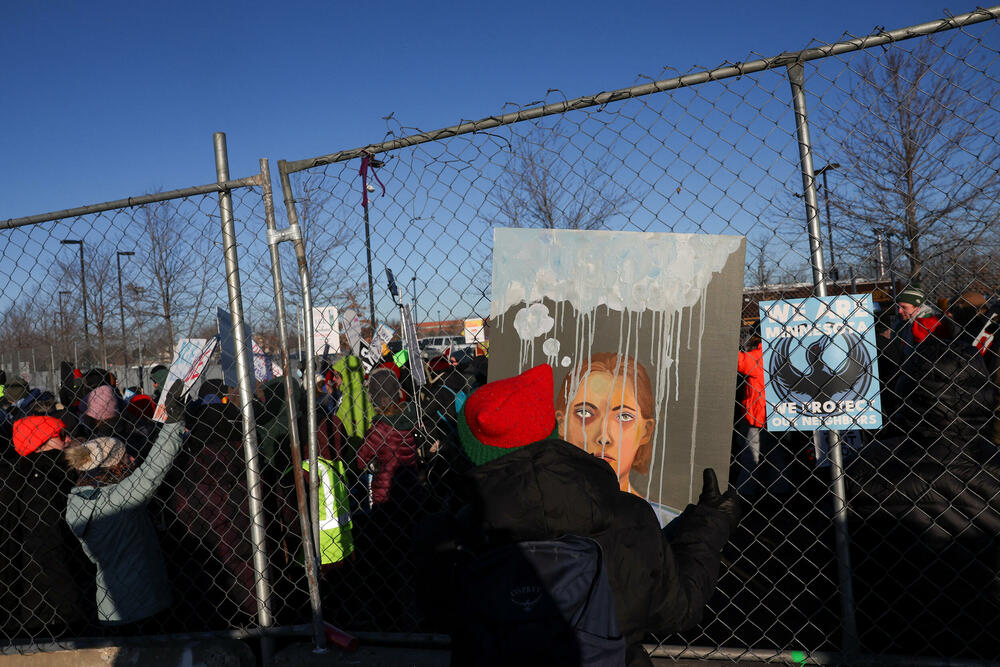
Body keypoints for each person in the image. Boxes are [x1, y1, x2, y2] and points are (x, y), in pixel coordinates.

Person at [422, 364, 739, 666]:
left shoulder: (452, 541)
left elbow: (438, 613)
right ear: (557, 426)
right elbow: (676, 609)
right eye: (585, 412)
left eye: (623, 415)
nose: (604, 435)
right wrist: (709, 523)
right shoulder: (630, 519)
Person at [63, 382, 186, 628]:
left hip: (110, 606)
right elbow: (153, 469)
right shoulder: (116, 500)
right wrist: (174, 424)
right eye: (124, 456)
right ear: (111, 465)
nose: (131, 459)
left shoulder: (79, 498)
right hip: (140, 607)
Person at [0, 416, 92, 636]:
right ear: (40, 443)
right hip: (51, 608)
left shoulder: (47, 475)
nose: (68, 438)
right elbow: (47, 548)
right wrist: (71, 605)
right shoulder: (43, 483)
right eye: (60, 435)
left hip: (43, 601)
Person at [554, 352, 655, 495]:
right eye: (584, 413)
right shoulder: (528, 514)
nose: (603, 438)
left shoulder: (662, 518)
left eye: (624, 417)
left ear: (646, 430)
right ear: (562, 423)